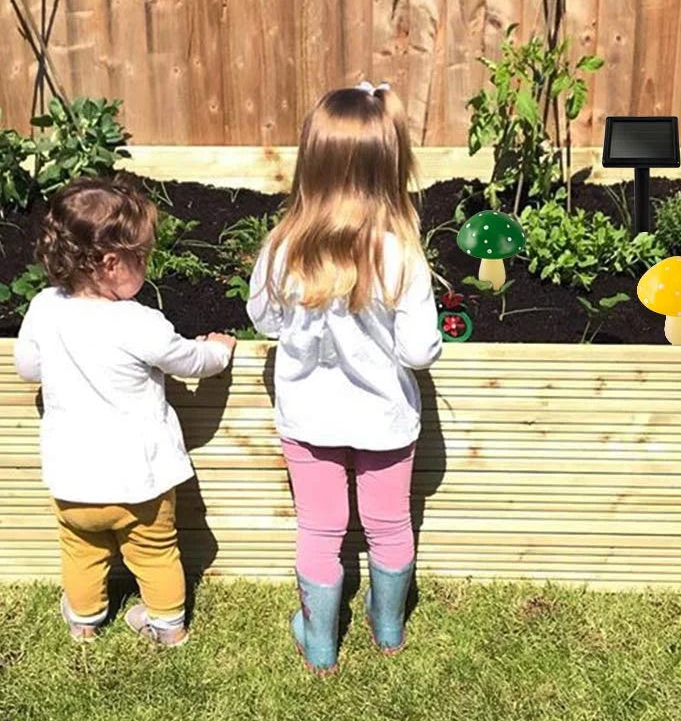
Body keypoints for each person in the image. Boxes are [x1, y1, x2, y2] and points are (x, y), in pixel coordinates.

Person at [247, 81, 442, 674]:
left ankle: (320, 642)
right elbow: (418, 351)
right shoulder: (401, 253)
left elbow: (262, 319)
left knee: (320, 529)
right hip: (383, 421)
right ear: (390, 167)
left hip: (307, 421)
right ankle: (388, 631)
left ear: (312, 163)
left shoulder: (283, 248)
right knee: (389, 525)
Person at [13, 175, 236, 646]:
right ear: (112, 264)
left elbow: (28, 368)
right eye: (143, 257)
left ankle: (84, 619)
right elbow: (190, 361)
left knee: (81, 551)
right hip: (141, 483)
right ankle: (167, 625)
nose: (148, 266)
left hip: (73, 481)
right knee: (155, 553)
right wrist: (219, 352)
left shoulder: (44, 308)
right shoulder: (140, 323)